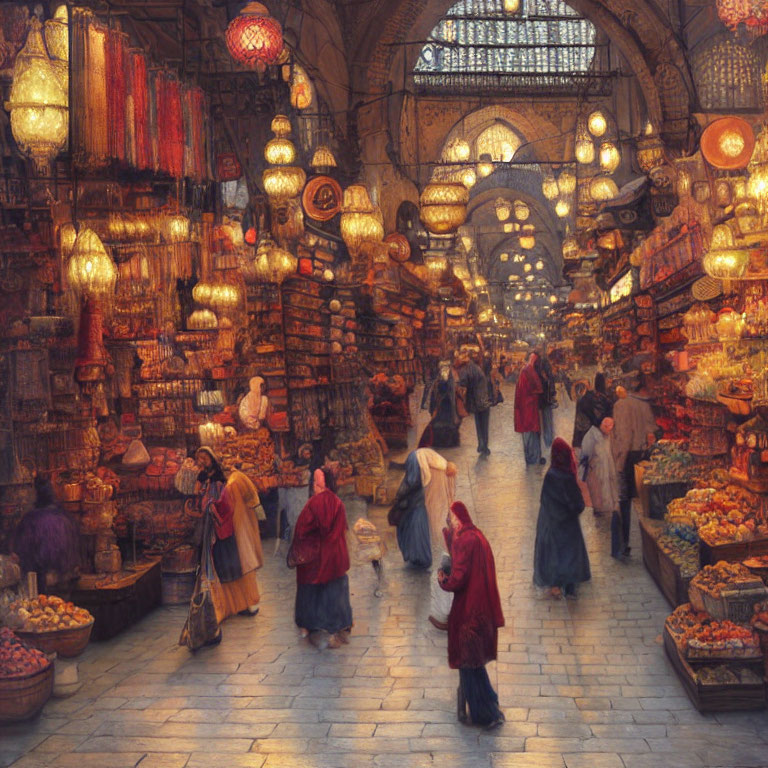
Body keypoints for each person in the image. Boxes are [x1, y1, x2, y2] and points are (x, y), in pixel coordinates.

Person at [438, 501, 505, 729]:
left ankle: (485, 714)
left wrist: (442, 580)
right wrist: (449, 534)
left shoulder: (465, 541)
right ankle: (491, 705)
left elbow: (457, 577)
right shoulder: (476, 535)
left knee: (468, 663)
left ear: (457, 519)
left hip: (468, 611)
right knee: (475, 663)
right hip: (482, 608)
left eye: (451, 519)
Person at [194, 448, 264, 636]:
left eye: (205, 457)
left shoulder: (222, 478)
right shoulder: (201, 478)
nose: (202, 461)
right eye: (199, 458)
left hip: (224, 528)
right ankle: (220, 609)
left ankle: (242, 604)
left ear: (212, 458)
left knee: (233, 568)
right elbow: (200, 500)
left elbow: (224, 502)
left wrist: (211, 505)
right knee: (217, 571)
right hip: (211, 530)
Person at [288, 468, 352, 649]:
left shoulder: (313, 504)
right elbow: (340, 530)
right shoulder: (338, 503)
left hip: (315, 559)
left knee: (309, 589)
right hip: (335, 558)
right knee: (336, 590)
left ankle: (309, 627)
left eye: (315, 483)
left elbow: (302, 530)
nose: (314, 487)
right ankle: (339, 626)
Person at [533, 438, 590, 599]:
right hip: (567, 524)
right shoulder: (566, 476)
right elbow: (577, 503)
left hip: (551, 522)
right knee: (570, 554)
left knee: (555, 555)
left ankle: (556, 585)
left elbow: (544, 499)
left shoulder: (550, 475)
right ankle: (570, 589)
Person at [613, 374, 659, 558]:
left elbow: (624, 437)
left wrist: (619, 463)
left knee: (623, 501)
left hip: (627, 456)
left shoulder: (621, 406)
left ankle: (623, 545)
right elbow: (652, 434)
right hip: (642, 455)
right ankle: (652, 547)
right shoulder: (644, 405)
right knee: (645, 501)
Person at [388, 448, 457, 571]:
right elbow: (420, 482)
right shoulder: (442, 467)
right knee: (414, 511)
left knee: (412, 514)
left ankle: (416, 556)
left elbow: (420, 482)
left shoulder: (439, 464)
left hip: (415, 465)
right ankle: (419, 557)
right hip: (416, 466)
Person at [12, 477, 80, 597]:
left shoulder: (30, 520)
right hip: (67, 580)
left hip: (42, 583)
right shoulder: (65, 517)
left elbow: (21, 552)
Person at [581, 417, 623, 558]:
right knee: (599, 494)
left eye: (611, 425)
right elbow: (585, 456)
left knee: (608, 491)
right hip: (596, 472)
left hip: (607, 470)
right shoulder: (591, 436)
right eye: (606, 425)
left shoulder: (608, 436)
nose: (609, 428)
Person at [418, 361, 460, 448]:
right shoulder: (445, 378)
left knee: (444, 422)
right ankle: (446, 442)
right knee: (444, 422)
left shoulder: (443, 378)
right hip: (444, 403)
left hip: (444, 403)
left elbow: (444, 389)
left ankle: (445, 442)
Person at [457, 352, 491, 456]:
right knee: (483, 424)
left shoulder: (467, 369)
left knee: (480, 424)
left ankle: (482, 445)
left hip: (479, 401)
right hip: (483, 400)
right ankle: (483, 445)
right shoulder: (475, 368)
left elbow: (463, 382)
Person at [514, 352, 545, 465]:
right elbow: (538, 389)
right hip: (529, 408)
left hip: (524, 408)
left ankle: (531, 458)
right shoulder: (530, 371)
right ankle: (534, 459)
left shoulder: (525, 370)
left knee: (528, 434)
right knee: (532, 433)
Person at [572, 373, 613, 450]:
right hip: (590, 439)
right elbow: (597, 419)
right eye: (608, 381)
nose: (610, 383)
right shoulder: (601, 400)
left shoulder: (586, 398)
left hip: (582, 439)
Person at [534, 349, 557, 449]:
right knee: (547, 420)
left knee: (544, 419)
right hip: (545, 398)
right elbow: (550, 381)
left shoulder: (538, 366)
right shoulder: (543, 365)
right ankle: (548, 441)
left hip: (541, 398)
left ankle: (547, 441)